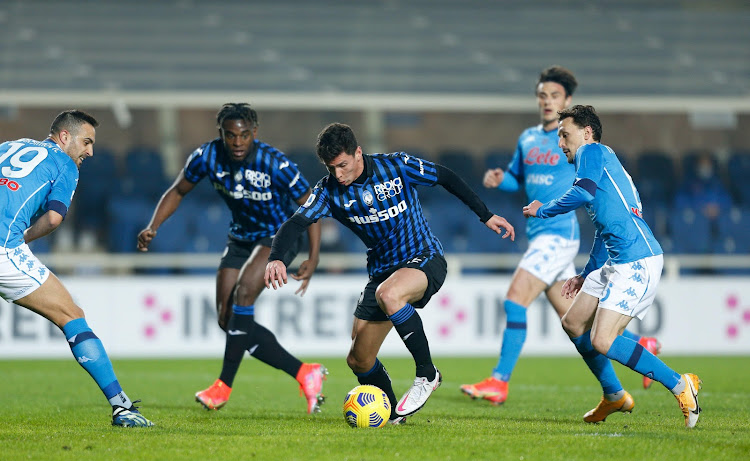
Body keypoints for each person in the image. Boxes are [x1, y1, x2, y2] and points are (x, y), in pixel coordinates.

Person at [264, 123, 515, 424]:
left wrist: (485, 215)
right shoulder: (329, 191)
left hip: (424, 258)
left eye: (343, 165)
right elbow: (295, 222)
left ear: (358, 152)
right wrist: (276, 258)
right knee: (358, 359)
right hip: (382, 272)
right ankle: (395, 416)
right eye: (332, 169)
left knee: (390, 294)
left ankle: (427, 373)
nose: (339, 175)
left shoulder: (396, 165)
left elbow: (445, 177)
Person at [461, 66, 661, 408]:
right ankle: (623, 379)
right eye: (542, 95)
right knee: (577, 324)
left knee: (515, 298)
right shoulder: (528, 139)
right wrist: (501, 179)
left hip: (558, 232)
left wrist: (544, 208)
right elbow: (518, 178)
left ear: (567, 100)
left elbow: (588, 186)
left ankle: (499, 380)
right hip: (538, 235)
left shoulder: (577, 142)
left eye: (554, 96)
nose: (547, 102)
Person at [137, 103, 327, 414]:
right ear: (221, 135)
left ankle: (223, 386)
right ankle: (306, 373)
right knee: (228, 319)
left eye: (244, 135)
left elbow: (313, 207)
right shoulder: (207, 157)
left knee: (243, 294)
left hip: (279, 236)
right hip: (240, 236)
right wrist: (153, 226)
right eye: (230, 136)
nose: (237, 142)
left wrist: (314, 256)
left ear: (254, 132)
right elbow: (177, 191)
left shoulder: (275, 164)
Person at [523, 105, 702, 428]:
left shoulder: (591, 151)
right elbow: (606, 230)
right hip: (616, 258)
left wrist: (542, 210)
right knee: (574, 323)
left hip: (637, 260)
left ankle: (680, 384)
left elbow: (582, 192)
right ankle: (614, 392)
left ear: (586, 132)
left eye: (565, 134)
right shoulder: (599, 165)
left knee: (602, 340)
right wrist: (586, 273)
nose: (560, 143)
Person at [0, 110, 153, 427]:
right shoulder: (64, 165)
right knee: (71, 315)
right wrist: (22, 238)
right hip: (4, 247)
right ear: (65, 137)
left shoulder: (9, 146)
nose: (90, 151)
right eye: (86, 142)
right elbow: (54, 219)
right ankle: (122, 408)